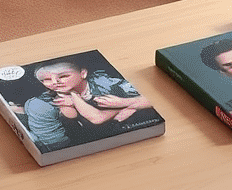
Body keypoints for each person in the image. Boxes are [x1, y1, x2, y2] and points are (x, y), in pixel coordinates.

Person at [17, 57, 157, 152]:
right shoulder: (43, 105)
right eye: (46, 79)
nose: (54, 82)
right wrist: (125, 107)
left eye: (63, 76)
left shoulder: (104, 82)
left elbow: (151, 99)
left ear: (83, 73)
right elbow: (96, 119)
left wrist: (123, 102)